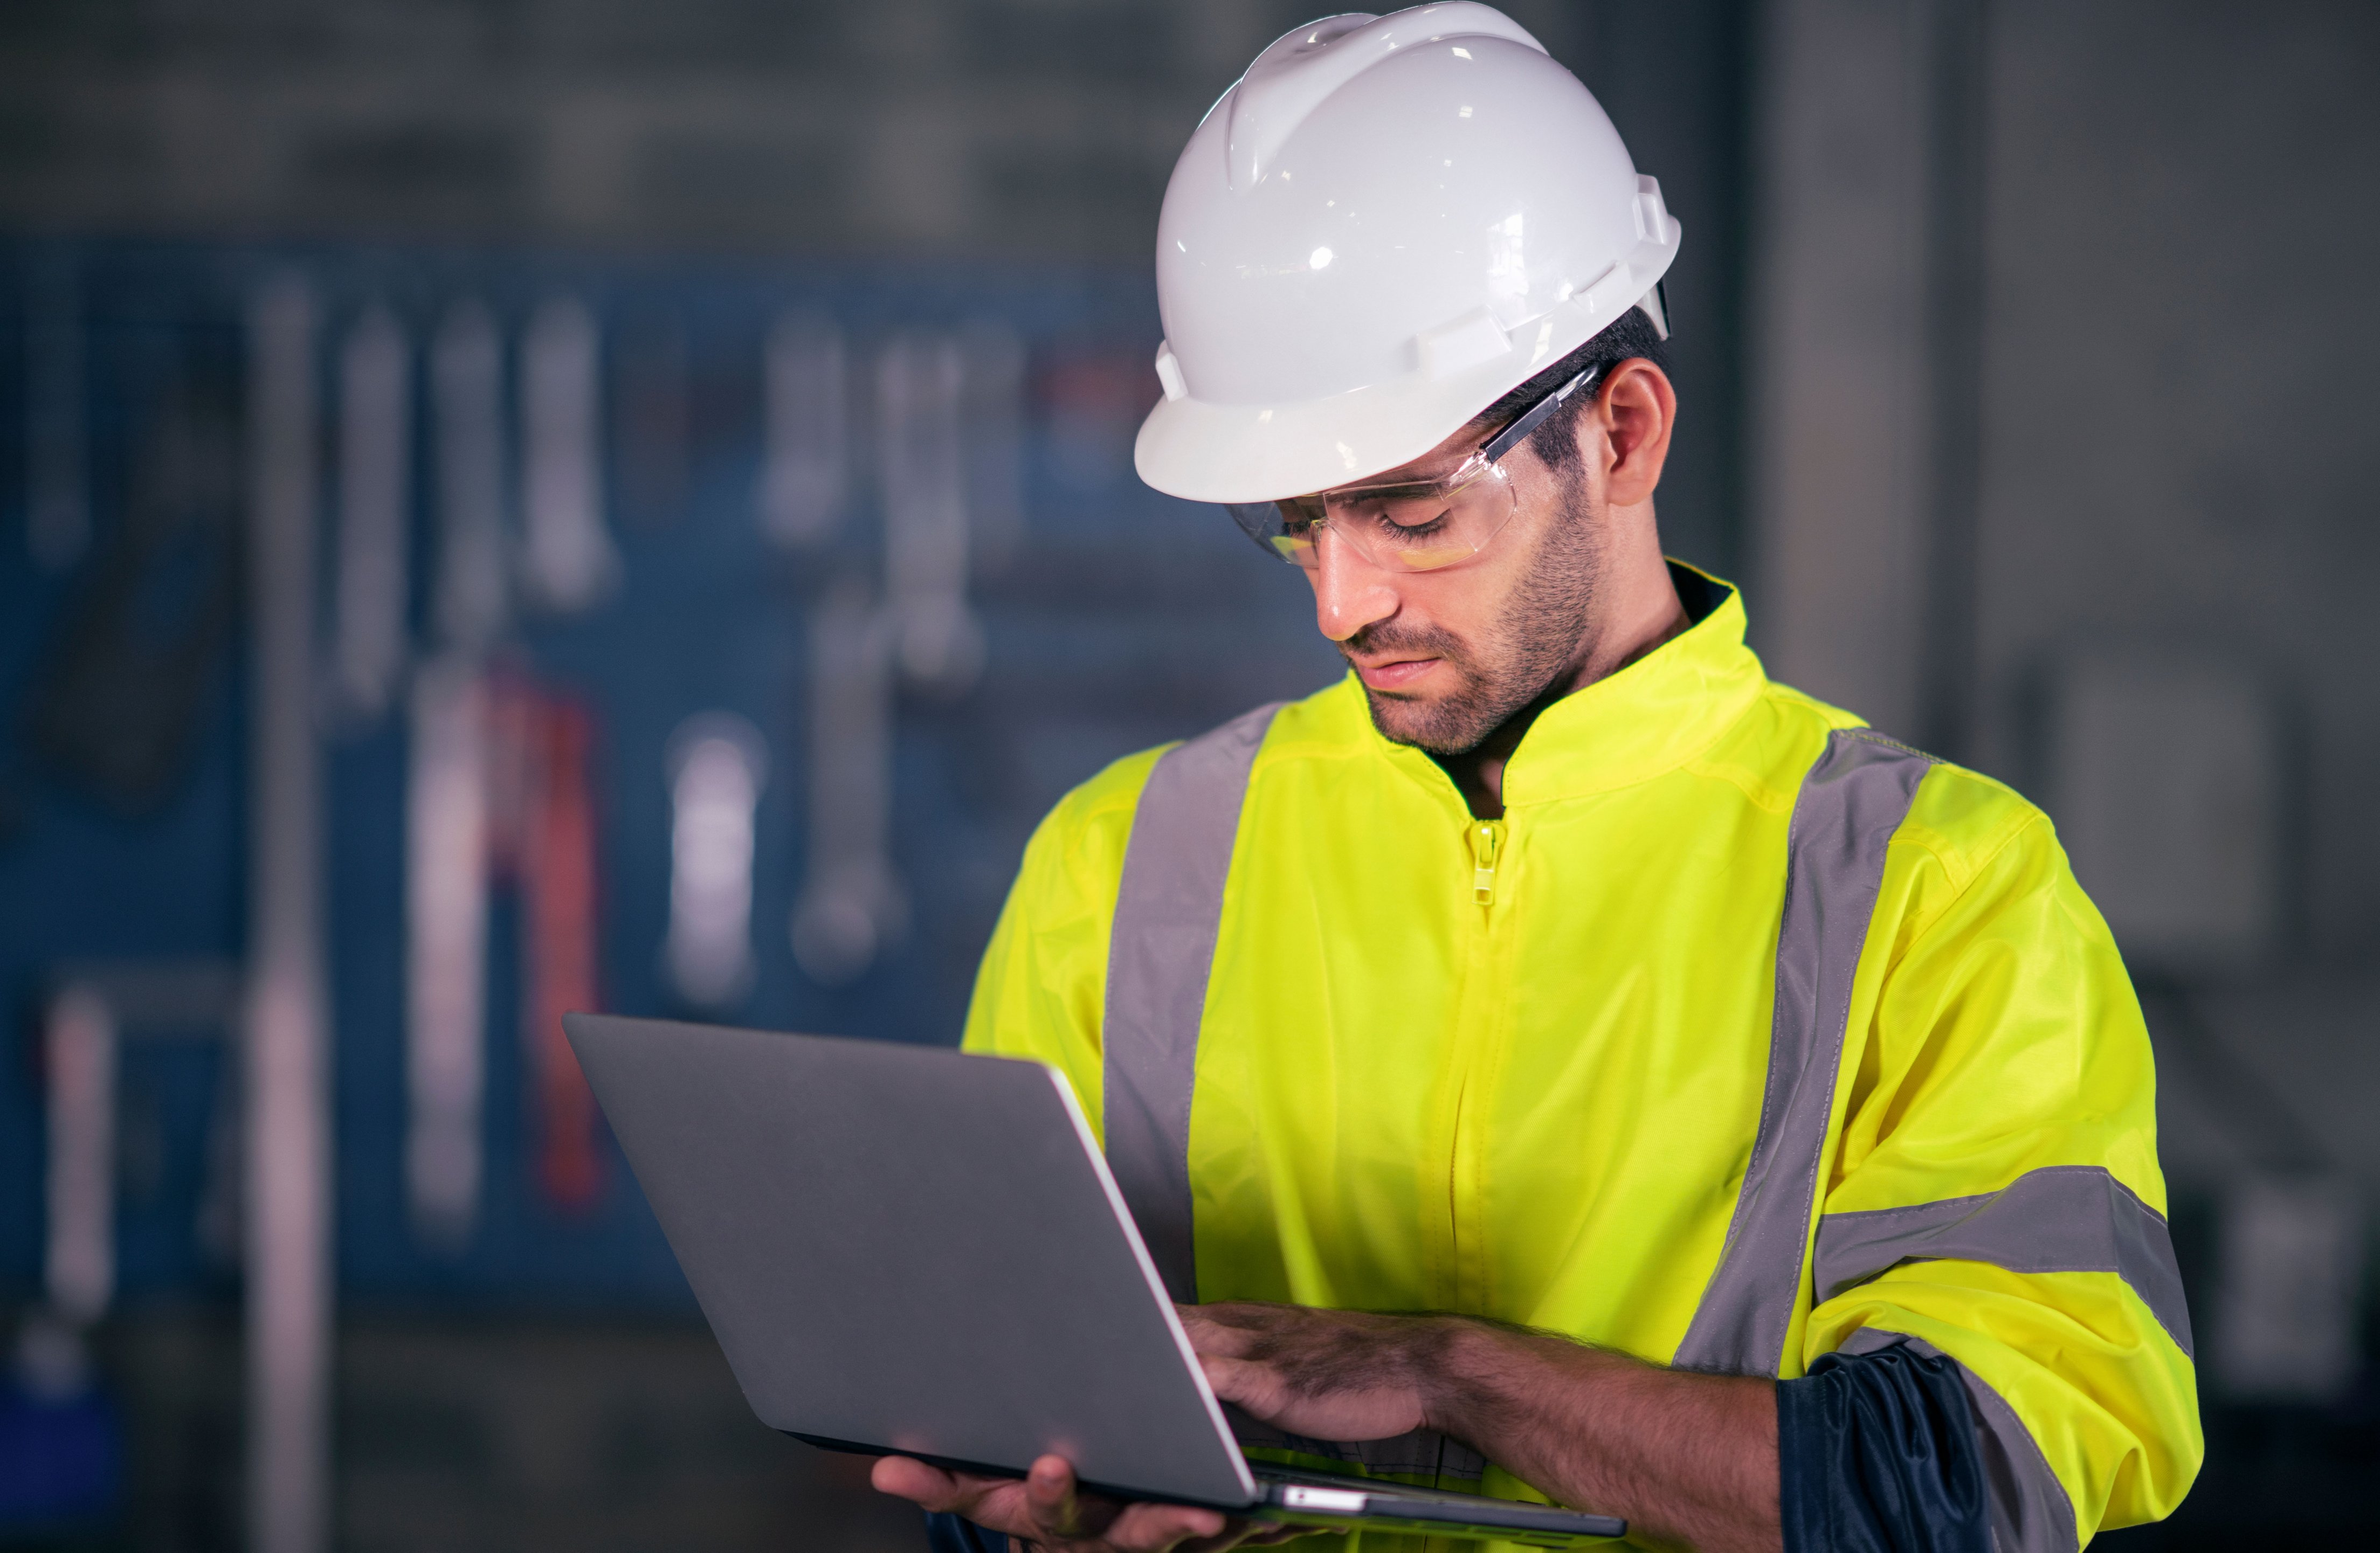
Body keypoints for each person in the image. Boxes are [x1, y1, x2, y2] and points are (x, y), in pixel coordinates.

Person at [870, 6, 2200, 1551]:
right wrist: (1036, 1517)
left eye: (1409, 510)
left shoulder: (1943, 890)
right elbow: (996, 1433)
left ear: (1621, 432)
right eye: (1297, 521)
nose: (1340, 598)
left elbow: (1970, 1480)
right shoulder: (1123, 865)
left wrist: (1458, 1375)